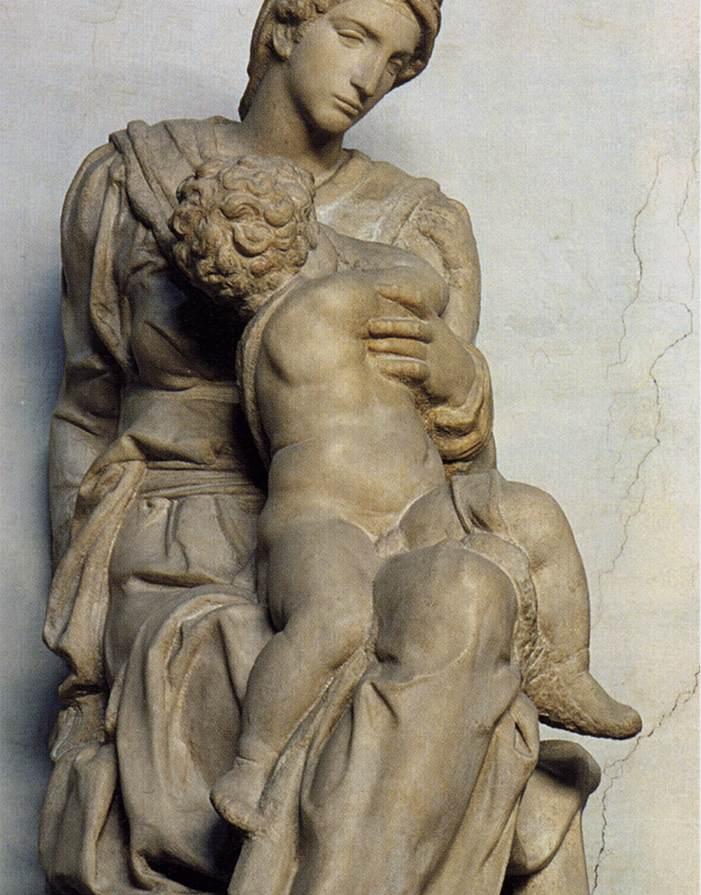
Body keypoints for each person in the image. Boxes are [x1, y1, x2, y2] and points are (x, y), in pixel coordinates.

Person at [41, 0, 638, 895]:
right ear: (282, 25)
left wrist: (465, 388)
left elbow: (445, 455)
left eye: (399, 62)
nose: (370, 76)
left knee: (466, 604)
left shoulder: (419, 226)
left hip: (389, 517)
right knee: (316, 647)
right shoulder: (134, 184)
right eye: (355, 36)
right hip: (191, 549)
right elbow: (87, 414)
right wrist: (80, 657)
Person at [171, 153, 639, 837]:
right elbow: (423, 284)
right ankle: (252, 764)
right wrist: (437, 266)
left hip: (410, 511)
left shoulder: (278, 328)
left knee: (526, 515)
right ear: (299, 232)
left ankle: (561, 672)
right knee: (336, 617)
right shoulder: (324, 305)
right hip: (324, 524)